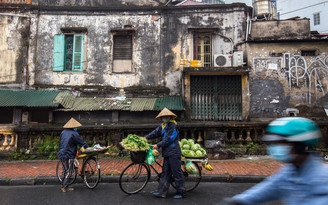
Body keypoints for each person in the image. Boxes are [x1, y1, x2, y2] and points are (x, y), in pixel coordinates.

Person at [217, 117, 328, 205]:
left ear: (298, 145)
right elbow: (267, 189)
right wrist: (237, 201)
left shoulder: (322, 180)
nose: (276, 147)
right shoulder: (289, 171)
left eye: (281, 142)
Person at [145, 107, 187, 199]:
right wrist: (145, 138)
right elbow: (155, 133)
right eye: (163, 117)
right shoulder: (163, 126)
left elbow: (169, 139)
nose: (165, 118)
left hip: (174, 152)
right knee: (165, 172)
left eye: (166, 116)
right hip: (167, 153)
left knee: (176, 173)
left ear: (170, 117)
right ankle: (162, 192)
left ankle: (182, 192)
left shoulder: (172, 126)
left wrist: (158, 145)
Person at [57, 118, 89, 192]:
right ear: (73, 127)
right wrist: (87, 147)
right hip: (69, 154)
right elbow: (81, 142)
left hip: (61, 153)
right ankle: (65, 187)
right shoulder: (74, 134)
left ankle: (63, 184)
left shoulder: (63, 132)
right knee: (69, 171)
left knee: (65, 170)